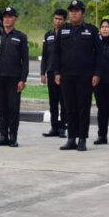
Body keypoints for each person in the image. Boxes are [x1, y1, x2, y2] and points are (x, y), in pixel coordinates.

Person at [50, 0, 103, 152]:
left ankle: (82, 139)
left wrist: (97, 73)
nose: (74, 13)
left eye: (77, 10)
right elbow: (56, 53)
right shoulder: (64, 30)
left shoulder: (91, 30)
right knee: (69, 108)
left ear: (83, 13)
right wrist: (57, 72)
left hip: (85, 76)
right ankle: (71, 138)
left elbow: (99, 54)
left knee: (83, 108)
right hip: (67, 75)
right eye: (71, 10)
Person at [0, 7, 29, 147]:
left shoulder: (20, 37)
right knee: (0, 107)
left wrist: (23, 79)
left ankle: (13, 136)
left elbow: (25, 60)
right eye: (4, 17)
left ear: (15, 19)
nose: (6, 19)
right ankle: (3, 135)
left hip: (14, 78)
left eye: (10, 17)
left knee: (13, 108)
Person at [41, 9, 68, 138]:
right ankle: (54, 127)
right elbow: (45, 55)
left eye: (60, 19)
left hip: (64, 73)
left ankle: (63, 127)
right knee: (53, 101)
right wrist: (42, 72)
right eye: (56, 18)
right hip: (51, 71)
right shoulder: (48, 35)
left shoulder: (68, 34)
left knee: (64, 101)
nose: (58, 21)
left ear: (65, 20)